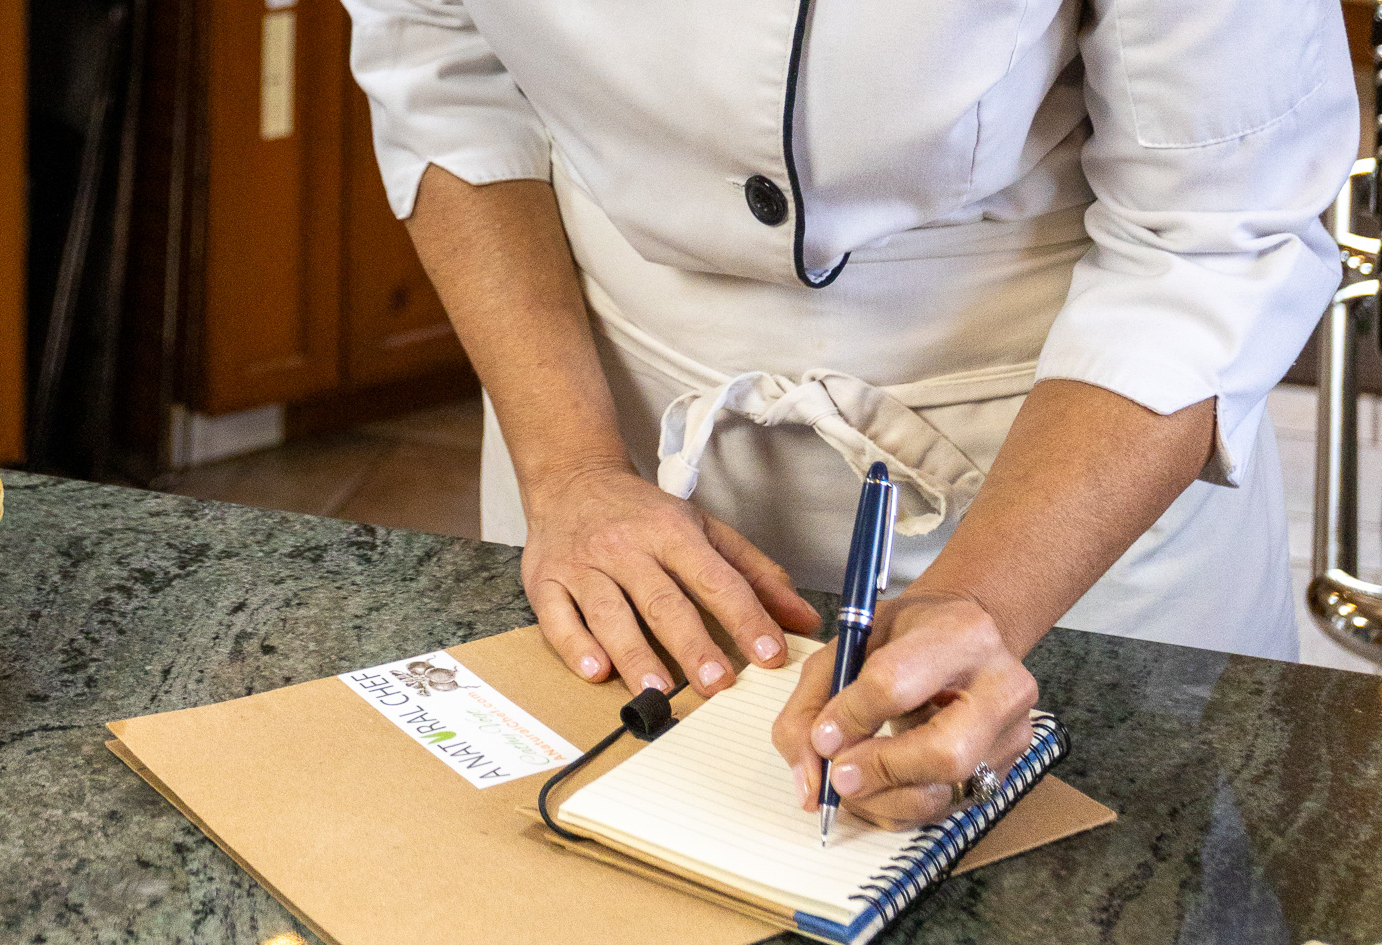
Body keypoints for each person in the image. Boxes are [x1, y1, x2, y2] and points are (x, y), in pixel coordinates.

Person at [341, 0, 1357, 829]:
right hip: (599, 427)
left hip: (1060, 478)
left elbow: (1211, 233)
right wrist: (568, 470)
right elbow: (440, 69)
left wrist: (985, 606)